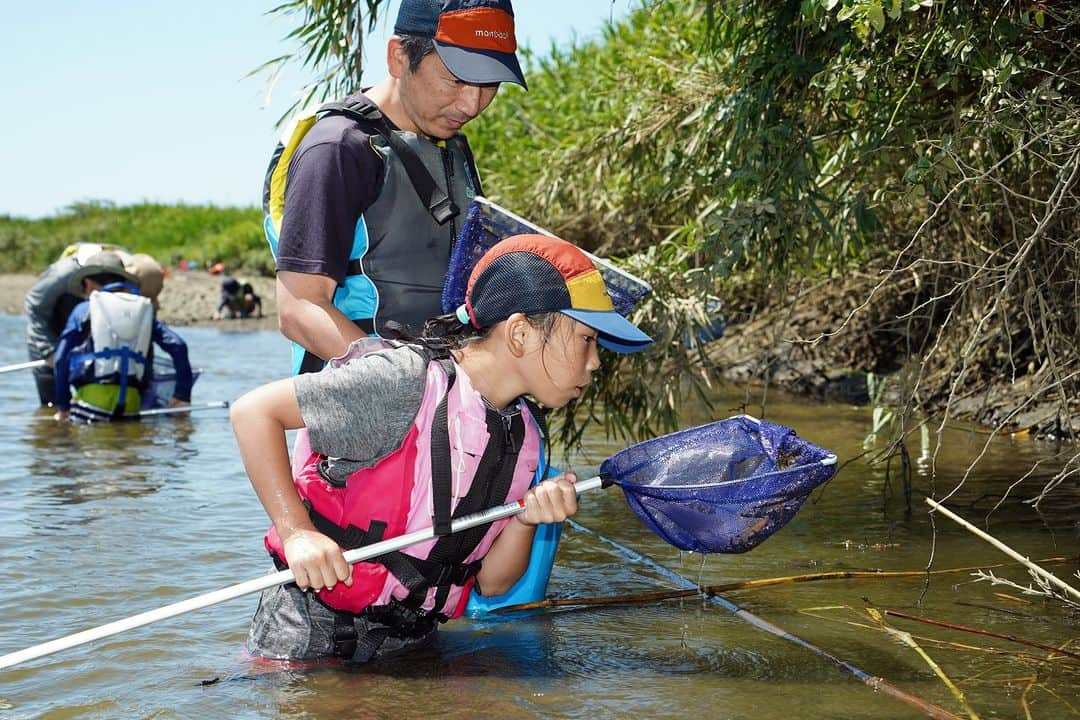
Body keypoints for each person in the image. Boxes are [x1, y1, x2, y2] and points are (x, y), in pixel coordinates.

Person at [230, 235, 652, 662]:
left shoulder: (523, 435)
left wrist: (527, 520)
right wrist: (297, 531)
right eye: (586, 340)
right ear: (521, 333)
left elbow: (494, 584)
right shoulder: (404, 382)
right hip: (309, 631)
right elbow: (252, 413)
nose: (596, 361)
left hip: (410, 643)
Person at [265, 0, 527, 375]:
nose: (472, 104)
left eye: (490, 85)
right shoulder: (338, 147)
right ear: (399, 57)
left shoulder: (448, 148)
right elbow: (298, 310)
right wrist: (411, 384)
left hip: (440, 406)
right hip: (364, 410)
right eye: (456, 79)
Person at [52, 251, 194, 423]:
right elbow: (178, 345)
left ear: (88, 283)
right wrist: (182, 394)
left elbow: (60, 359)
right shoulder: (142, 310)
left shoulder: (84, 310)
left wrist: (63, 405)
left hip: (92, 401)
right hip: (131, 402)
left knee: (77, 442)